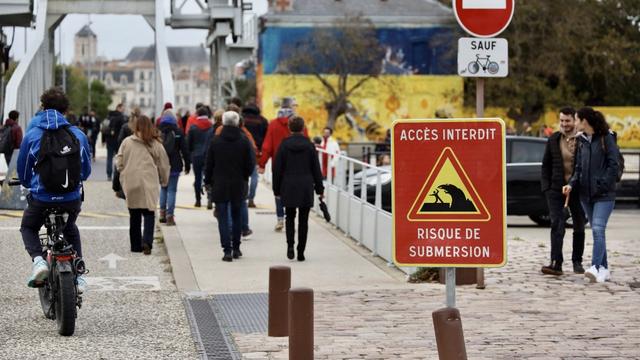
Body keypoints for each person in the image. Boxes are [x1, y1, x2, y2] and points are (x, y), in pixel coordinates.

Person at [17, 88, 92, 293]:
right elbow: (85, 171)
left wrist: (28, 183)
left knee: (29, 227)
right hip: (71, 198)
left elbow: (23, 171)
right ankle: (79, 274)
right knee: (70, 228)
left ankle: (39, 261)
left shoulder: (32, 135)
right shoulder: (78, 135)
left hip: (42, 198)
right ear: (66, 110)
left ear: (42, 108)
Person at [564, 107, 619, 283]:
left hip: (604, 194)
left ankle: (595, 267)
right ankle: (604, 269)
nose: (576, 123)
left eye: (577, 120)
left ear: (584, 121)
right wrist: (571, 184)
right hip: (585, 195)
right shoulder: (582, 141)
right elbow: (578, 168)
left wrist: (602, 185)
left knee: (597, 229)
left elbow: (614, 165)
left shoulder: (606, 138)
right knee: (597, 232)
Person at [540, 107, 586, 276]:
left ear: (575, 121)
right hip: (555, 190)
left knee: (579, 225)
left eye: (568, 121)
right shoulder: (553, 139)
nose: (565, 124)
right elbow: (546, 165)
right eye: (562, 121)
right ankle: (556, 262)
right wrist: (547, 187)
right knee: (556, 224)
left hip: (577, 190)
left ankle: (577, 261)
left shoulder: (583, 140)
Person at [204, 111, 255, 262]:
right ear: (238, 122)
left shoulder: (216, 141)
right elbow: (250, 163)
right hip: (238, 183)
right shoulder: (244, 141)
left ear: (223, 123)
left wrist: (207, 181)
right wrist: (245, 176)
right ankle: (236, 248)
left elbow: (209, 164)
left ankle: (226, 250)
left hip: (219, 182)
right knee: (237, 215)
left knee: (222, 217)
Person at [272, 116, 324, 261]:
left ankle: (290, 246)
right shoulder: (309, 145)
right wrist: (320, 189)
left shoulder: (284, 145)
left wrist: (276, 189)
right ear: (303, 127)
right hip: (305, 185)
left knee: (289, 217)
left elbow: (277, 169)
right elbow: (316, 169)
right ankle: (301, 251)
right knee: (304, 220)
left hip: (288, 184)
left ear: (289, 127)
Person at [116, 115, 170, 255]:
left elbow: (118, 161)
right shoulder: (156, 144)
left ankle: (135, 245)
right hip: (149, 183)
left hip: (131, 182)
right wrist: (164, 180)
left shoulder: (127, 142)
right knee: (149, 213)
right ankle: (147, 242)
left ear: (136, 126)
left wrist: (124, 173)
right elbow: (164, 164)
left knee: (134, 215)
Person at [258, 97, 308, 232]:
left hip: (278, 165)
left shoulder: (273, 124)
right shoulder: (300, 124)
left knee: (278, 192)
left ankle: (280, 218)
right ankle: (292, 218)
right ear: (292, 108)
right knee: (295, 191)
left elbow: (267, 146)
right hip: (298, 165)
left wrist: (262, 163)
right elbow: (307, 144)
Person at [215, 104, 257, 238]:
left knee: (226, 204)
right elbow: (251, 157)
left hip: (221, 176)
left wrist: (210, 178)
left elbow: (210, 158)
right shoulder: (244, 136)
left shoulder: (218, 135)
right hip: (239, 178)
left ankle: (229, 231)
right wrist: (246, 174)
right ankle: (243, 229)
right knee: (241, 203)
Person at [158, 111, 190, 226]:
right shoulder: (178, 132)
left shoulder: (158, 132)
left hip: (162, 165)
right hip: (175, 165)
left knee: (163, 189)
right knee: (172, 190)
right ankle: (170, 216)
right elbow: (185, 150)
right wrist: (187, 165)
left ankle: (162, 214)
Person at [242, 103, 269, 208]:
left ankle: (242, 196)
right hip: (256, 151)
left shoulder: (242, 119)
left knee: (243, 175)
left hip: (242, 149)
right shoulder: (262, 120)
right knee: (254, 176)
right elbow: (266, 136)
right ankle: (251, 199)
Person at [187, 106, 213, 207]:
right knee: (209, 177)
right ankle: (210, 198)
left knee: (197, 178)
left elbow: (188, 143)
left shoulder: (193, 127)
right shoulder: (211, 127)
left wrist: (189, 155)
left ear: (197, 115)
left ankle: (198, 200)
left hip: (196, 156)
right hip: (209, 156)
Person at [105, 104, 126, 181]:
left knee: (109, 158)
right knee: (118, 158)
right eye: (123, 108)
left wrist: (103, 140)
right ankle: (117, 175)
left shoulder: (108, 117)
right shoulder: (121, 117)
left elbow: (104, 128)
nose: (123, 109)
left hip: (109, 140)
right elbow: (123, 130)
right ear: (119, 108)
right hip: (117, 141)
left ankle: (109, 175)